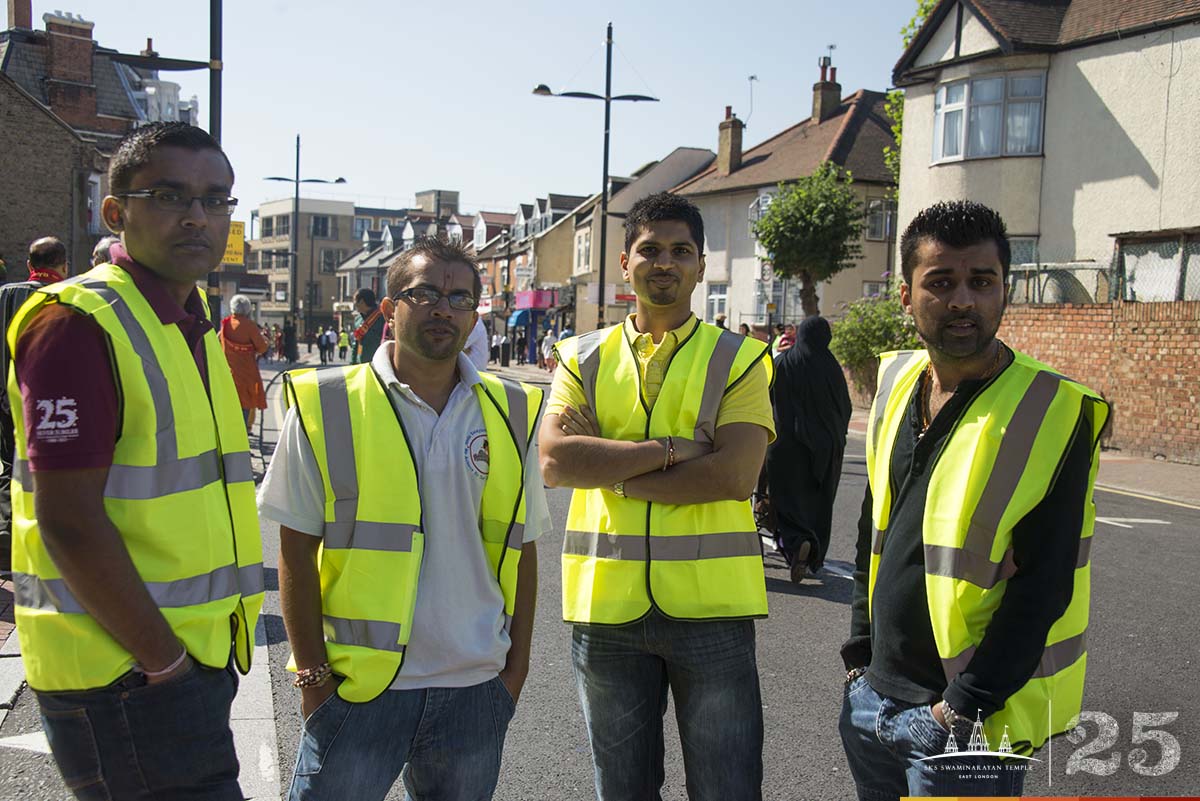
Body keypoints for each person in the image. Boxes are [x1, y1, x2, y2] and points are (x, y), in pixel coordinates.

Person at [6, 122, 264, 800]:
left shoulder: (186, 319)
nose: (198, 216)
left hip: (180, 662)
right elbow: (68, 522)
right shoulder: (77, 323)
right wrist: (165, 660)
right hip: (126, 672)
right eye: (171, 195)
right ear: (115, 213)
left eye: (216, 199)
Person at [839, 201, 1109, 800]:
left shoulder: (1054, 409)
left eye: (981, 281)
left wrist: (961, 708)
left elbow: (1045, 585)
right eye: (940, 282)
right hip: (872, 699)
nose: (963, 299)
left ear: (1004, 293)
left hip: (964, 722)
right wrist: (860, 652)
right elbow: (873, 529)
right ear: (905, 296)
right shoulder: (897, 383)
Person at [261, 237, 547, 801]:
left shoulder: (512, 409)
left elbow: (525, 545)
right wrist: (313, 681)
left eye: (461, 298)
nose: (445, 309)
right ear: (389, 309)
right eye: (426, 293)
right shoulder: (328, 403)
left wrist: (514, 673)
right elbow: (293, 552)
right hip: (359, 688)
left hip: (474, 687)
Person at [541, 192, 774, 801]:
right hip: (606, 611)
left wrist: (609, 467)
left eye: (680, 250)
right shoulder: (580, 356)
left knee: (727, 787)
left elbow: (733, 477)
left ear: (700, 266)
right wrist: (675, 450)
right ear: (625, 264)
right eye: (650, 250)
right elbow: (557, 460)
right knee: (621, 788)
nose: (663, 262)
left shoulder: (741, 359)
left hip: (712, 612)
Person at [0, 237, 69, 575]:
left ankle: (5, 540)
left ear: (29, 265)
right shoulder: (67, 298)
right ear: (64, 266)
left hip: (2, 397)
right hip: (45, 405)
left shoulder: (3, 295)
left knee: (7, 467)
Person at [765, 316, 851, 583]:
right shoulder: (832, 368)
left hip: (786, 445)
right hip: (827, 448)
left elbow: (764, 400)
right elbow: (845, 409)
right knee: (820, 500)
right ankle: (812, 547)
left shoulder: (783, 363)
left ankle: (797, 541)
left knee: (787, 498)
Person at [219, 294, 269, 433]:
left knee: (230, 403)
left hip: (228, 371)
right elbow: (262, 348)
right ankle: (243, 432)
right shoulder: (249, 326)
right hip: (247, 372)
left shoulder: (226, 324)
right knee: (245, 403)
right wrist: (265, 341)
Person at [352, 287, 384, 364]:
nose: (353, 303)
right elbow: (356, 344)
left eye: (354, 300)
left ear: (362, 301)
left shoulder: (382, 317)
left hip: (377, 363)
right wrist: (353, 362)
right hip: (360, 362)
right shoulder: (358, 319)